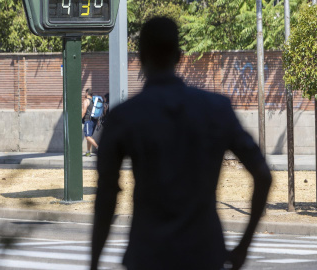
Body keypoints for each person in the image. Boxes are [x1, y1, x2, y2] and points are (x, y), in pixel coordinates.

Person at [90, 17, 272, 270]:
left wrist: (94, 263)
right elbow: (263, 175)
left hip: (148, 256)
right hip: (204, 255)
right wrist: (243, 246)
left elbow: (106, 197)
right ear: (179, 56)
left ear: (141, 57)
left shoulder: (124, 117)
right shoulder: (216, 109)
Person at [82, 88, 99, 157]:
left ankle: (99, 148)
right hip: (94, 120)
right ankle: (88, 152)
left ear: (87, 93)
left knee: (87, 136)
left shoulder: (86, 101)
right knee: (89, 136)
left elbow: (84, 111)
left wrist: (79, 118)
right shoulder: (94, 101)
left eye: (85, 93)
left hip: (88, 120)